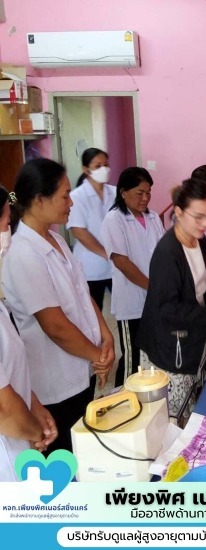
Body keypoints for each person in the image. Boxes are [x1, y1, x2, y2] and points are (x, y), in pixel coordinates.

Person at [2, 159, 115, 454]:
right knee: (66, 456)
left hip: (81, 370)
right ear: (40, 200)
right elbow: (55, 325)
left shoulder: (55, 239)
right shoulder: (23, 253)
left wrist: (106, 336)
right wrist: (98, 356)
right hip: (56, 384)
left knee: (83, 447)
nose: (71, 203)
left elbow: (82, 294)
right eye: (65, 196)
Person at [137, 178, 206, 418]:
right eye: (198, 217)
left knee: (191, 399)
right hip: (168, 346)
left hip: (190, 337)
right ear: (178, 213)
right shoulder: (167, 253)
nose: (205, 224)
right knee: (172, 415)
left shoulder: (198, 239)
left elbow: (201, 280)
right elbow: (168, 309)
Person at [0, 185, 58, 479]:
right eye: (5, 222)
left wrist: (32, 402)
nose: (7, 231)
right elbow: (4, 410)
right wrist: (37, 433)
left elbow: (8, 368)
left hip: (20, 441)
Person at [101, 167, 165, 387]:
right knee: (132, 358)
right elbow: (121, 262)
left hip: (155, 301)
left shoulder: (153, 217)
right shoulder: (114, 219)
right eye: (140, 193)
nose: (145, 198)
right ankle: (124, 398)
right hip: (132, 302)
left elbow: (163, 253)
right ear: (123, 192)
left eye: (148, 193)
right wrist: (152, 287)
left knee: (153, 355)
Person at [66, 147, 115, 312]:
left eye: (106, 165)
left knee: (123, 311)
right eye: (98, 166)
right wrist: (105, 253)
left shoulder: (115, 193)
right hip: (90, 267)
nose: (103, 169)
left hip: (115, 266)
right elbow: (79, 232)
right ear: (86, 170)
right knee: (94, 313)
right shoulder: (77, 196)